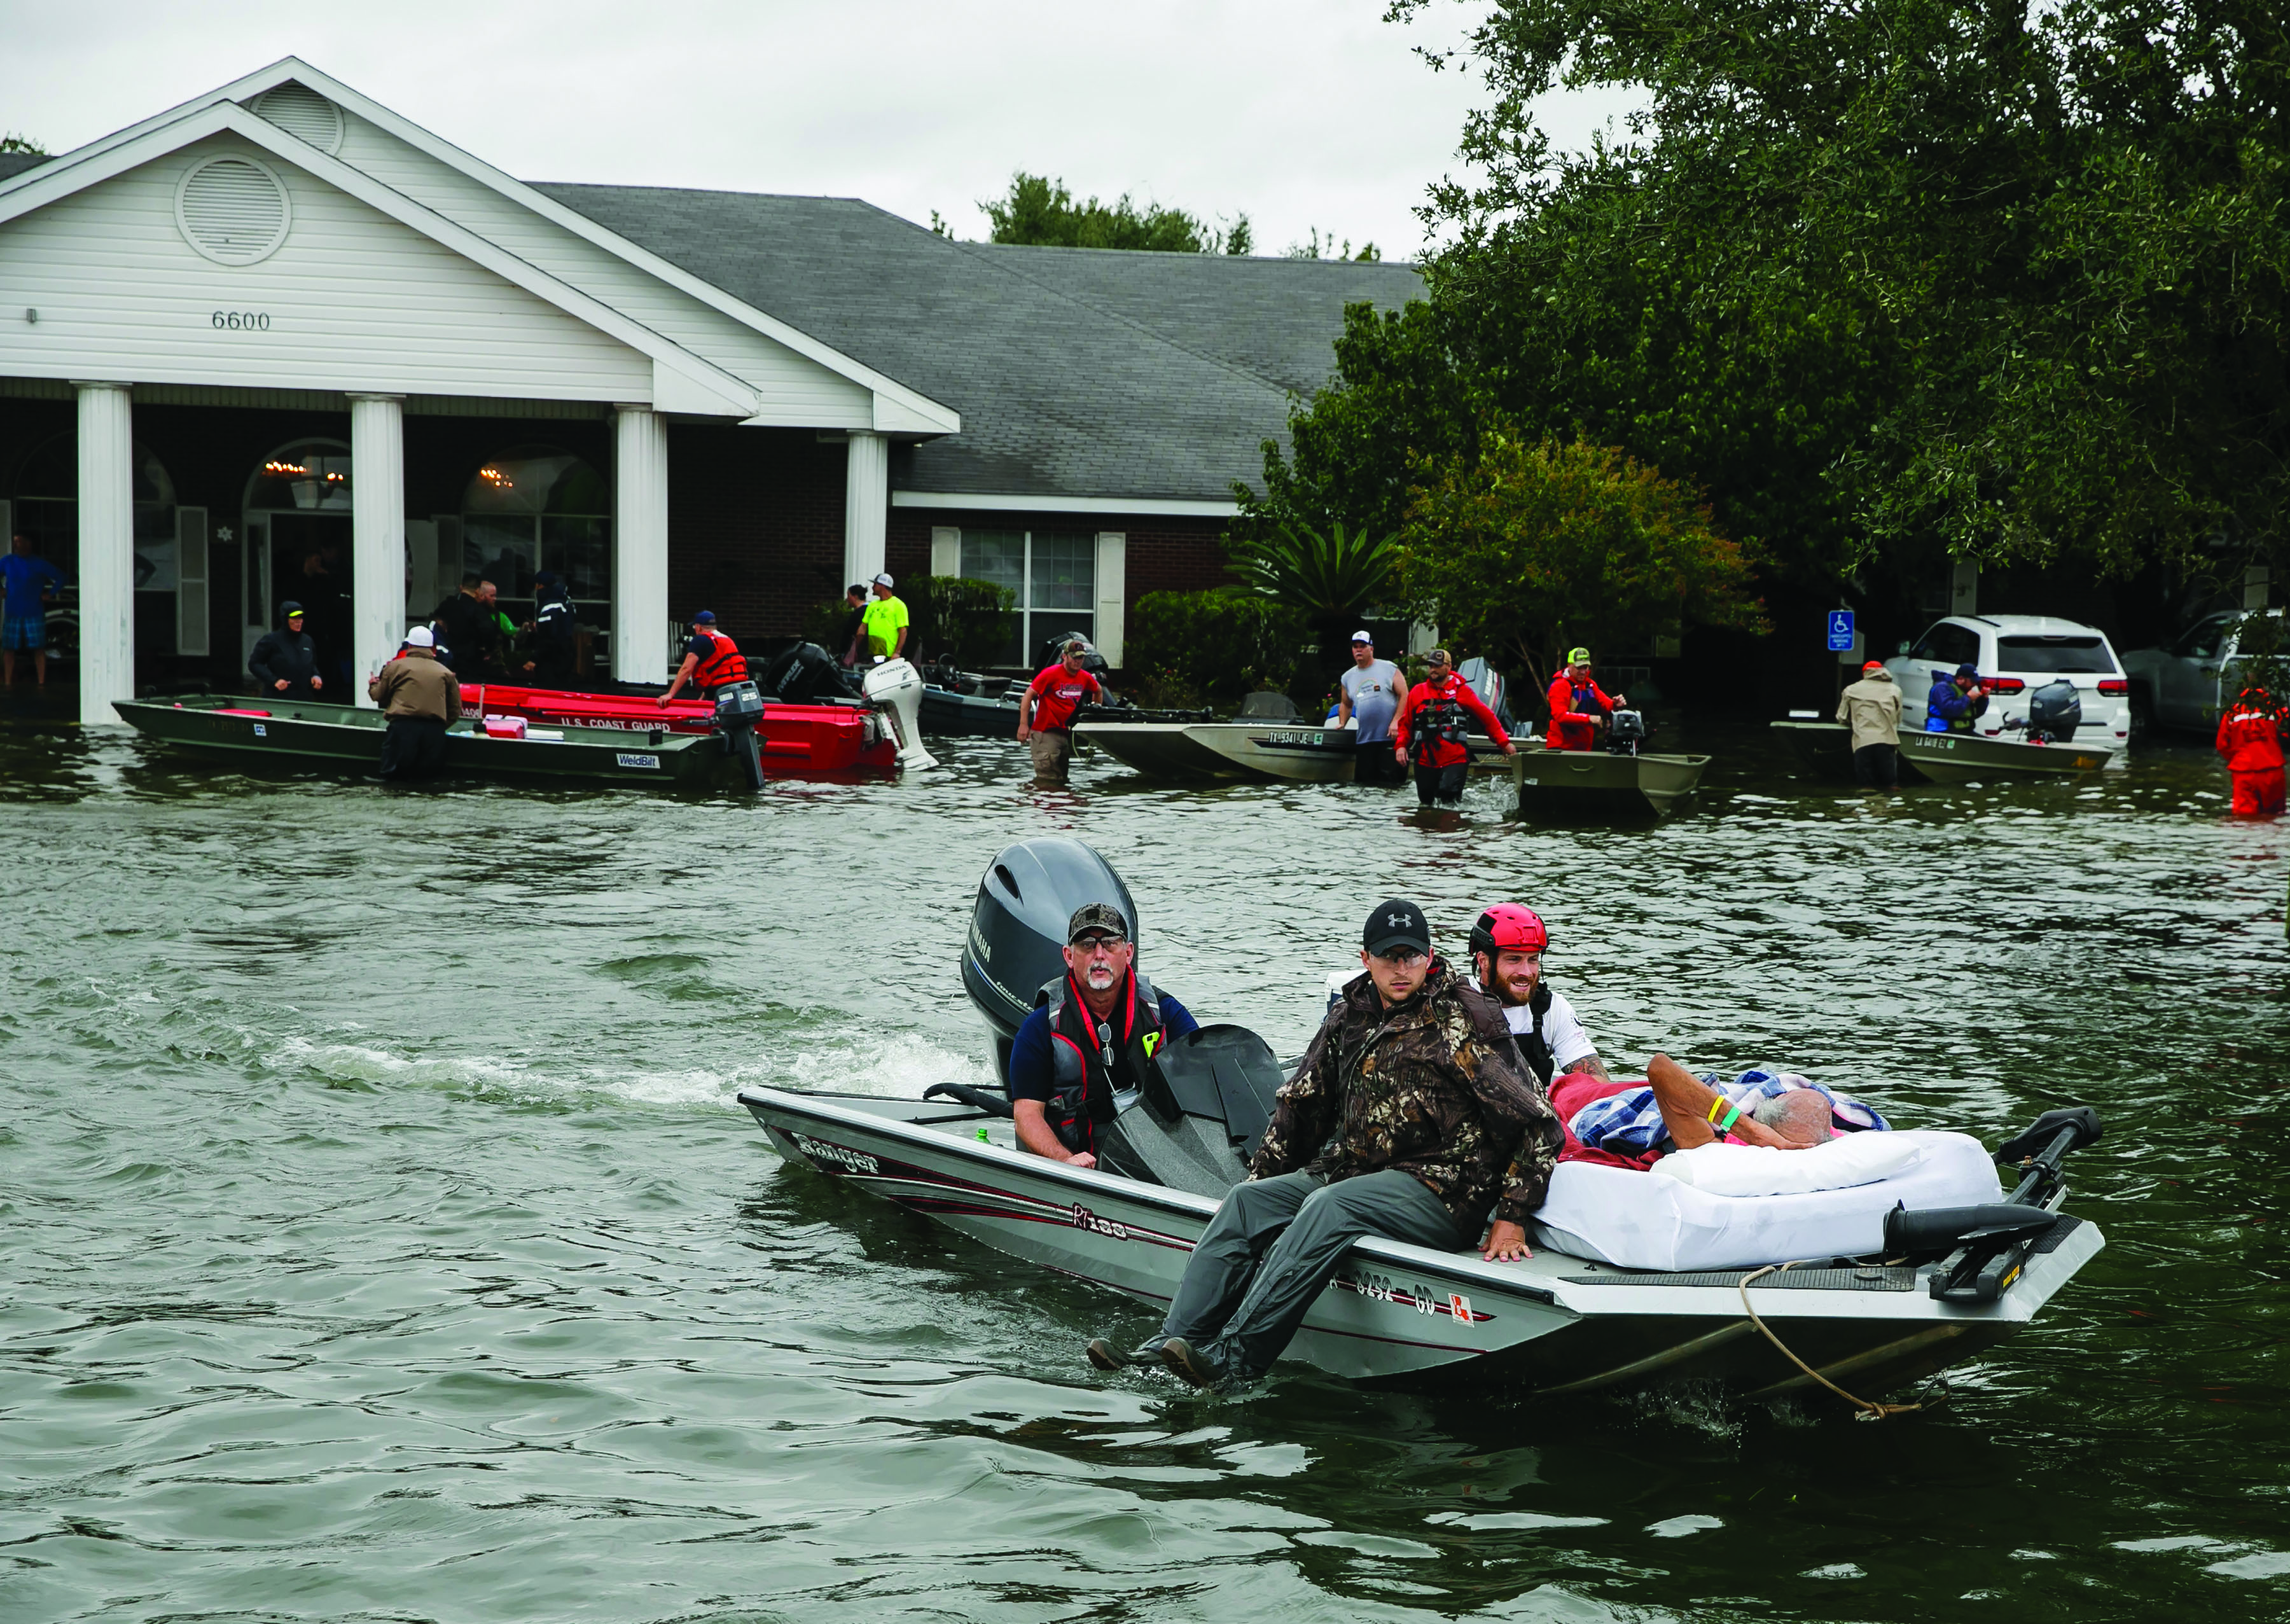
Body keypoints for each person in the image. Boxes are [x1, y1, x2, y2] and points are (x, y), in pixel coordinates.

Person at [1088, 899, 1562, 1389]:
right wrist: (1264, 1191)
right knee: (1247, 1201)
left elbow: (1540, 1123)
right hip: (1356, 1170)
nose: (1401, 968)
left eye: (1411, 956)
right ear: (1365, 958)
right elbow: (1302, 1109)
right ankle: (1171, 1344)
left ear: (1430, 955)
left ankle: (1236, 1359)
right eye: (1389, 956)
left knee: (1328, 1206)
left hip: (1444, 1190)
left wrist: (1512, 1216)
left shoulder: (1464, 1018)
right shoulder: (1349, 1015)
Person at [1006, 902, 1201, 1168]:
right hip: (1075, 1165)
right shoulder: (1039, 1027)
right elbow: (1026, 1115)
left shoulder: (1165, 1013)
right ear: (1069, 956)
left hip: (1154, 1162)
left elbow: (1204, 1076)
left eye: (1110, 943)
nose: (1099, 955)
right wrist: (1065, 1160)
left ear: (1128, 952)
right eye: (1087, 945)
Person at [1560, 1055, 1891, 1171]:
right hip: (1618, 1101)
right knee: (1567, 1088)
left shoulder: (1830, 1141)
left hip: (1638, 1100)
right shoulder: (1724, 1140)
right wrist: (1750, 1129)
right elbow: (1659, 1068)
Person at [1391, 648, 1515, 807]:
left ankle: (1455, 829)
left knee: (1449, 800)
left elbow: (1488, 719)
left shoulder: (1463, 692)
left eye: (1437, 665)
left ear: (1449, 667)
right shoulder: (1418, 692)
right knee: (1426, 803)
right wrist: (1401, 747)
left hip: (1455, 758)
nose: (1433, 669)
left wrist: (1504, 743)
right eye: (1430, 666)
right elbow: (1406, 724)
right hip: (1425, 760)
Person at [366, 625, 462, 780]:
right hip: (434, 732)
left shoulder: (395, 667)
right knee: (428, 782)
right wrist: (439, 726)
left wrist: (372, 685)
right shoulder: (445, 673)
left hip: (403, 728)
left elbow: (379, 696)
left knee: (392, 779)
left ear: (410, 646)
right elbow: (455, 709)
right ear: (433, 648)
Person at [1016, 637, 1103, 788]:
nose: (1078, 661)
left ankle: (1061, 809)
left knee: (1062, 780)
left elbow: (1098, 690)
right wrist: (1023, 725)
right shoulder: (1050, 674)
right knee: (1048, 780)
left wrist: (1094, 711)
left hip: (1064, 734)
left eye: (1081, 658)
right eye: (1075, 657)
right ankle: (1039, 806)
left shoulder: (1084, 677)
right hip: (1045, 733)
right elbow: (1028, 695)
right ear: (1065, 656)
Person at [1336, 631, 1405, 785]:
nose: (1359, 650)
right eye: (1355, 647)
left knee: (1390, 787)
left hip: (1389, 740)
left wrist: (1396, 721)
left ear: (1371, 649)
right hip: (1364, 742)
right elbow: (1346, 704)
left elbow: (1404, 695)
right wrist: (1342, 723)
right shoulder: (1347, 677)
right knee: (1364, 787)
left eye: (1363, 647)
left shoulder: (1389, 668)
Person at [1, 531, 66, 686]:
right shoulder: (8, 561)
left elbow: (62, 577)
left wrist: (50, 593)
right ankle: (8, 682)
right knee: (9, 648)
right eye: (15, 541)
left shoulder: (39, 563)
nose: (16, 544)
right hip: (12, 611)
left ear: (28, 543)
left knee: (38, 648)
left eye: (20, 541)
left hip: (34, 612)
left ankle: (41, 682)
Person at [2217, 685, 2287, 817]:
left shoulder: (2233, 713)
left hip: (2244, 773)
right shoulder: (2275, 709)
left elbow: (2222, 745)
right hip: (2273, 771)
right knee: (2275, 818)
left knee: (2244, 820)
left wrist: (2238, 759)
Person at [1836, 658, 1903, 788]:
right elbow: (1898, 717)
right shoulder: (1895, 690)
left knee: (1866, 786)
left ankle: (1867, 803)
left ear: (1864, 673)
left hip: (1863, 742)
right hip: (1887, 741)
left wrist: (1853, 721)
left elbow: (1842, 717)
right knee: (1891, 785)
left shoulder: (1851, 690)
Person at [658, 610, 747, 707]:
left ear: (699, 627)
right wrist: (704, 697)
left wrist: (670, 694)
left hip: (719, 690)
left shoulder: (700, 640)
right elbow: (719, 668)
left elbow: (686, 669)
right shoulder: (727, 640)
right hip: (739, 687)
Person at [1544, 648, 1625, 752]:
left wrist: (1616, 704)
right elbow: (1560, 716)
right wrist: (1589, 719)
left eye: (1585, 667)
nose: (1583, 672)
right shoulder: (1560, 685)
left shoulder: (1590, 684)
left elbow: (1605, 704)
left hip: (1584, 747)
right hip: (1561, 748)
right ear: (1569, 665)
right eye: (1579, 668)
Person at [248, 602, 324, 697]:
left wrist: (316, 675)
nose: (298, 622)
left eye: (300, 618)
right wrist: (274, 680)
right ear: (285, 619)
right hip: (279, 697)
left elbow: (311, 664)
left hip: (304, 697)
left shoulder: (307, 641)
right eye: (294, 618)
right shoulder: (271, 640)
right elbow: (255, 664)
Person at [431, 576, 499, 677]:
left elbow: (435, 624)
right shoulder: (478, 610)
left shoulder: (446, 605)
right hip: (471, 660)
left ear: (461, 587)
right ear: (477, 591)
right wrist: (489, 650)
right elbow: (489, 630)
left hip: (447, 657)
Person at [522, 571, 578, 688]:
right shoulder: (565, 601)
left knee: (548, 689)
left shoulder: (549, 606)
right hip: (566, 652)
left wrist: (534, 659)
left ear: (540, 586)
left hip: (552, 658)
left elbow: (549, 637)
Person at [1926, 662, 1990, 733]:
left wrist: (1984, 699)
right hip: (1943, 731)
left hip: (1963, 731)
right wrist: (1967, 698)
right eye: (1972, 681)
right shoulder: (1942, 687)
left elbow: (1975, 714)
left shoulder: (1964, 690)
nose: (1974, 684)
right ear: (1961, 679)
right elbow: (1948, 710)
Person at [861, 572, 910, 661]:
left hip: (889, 655)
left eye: (875, 584)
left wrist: (897, 653)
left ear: (882, 586)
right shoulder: (872, 605)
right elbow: (863, 627)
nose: (872, 587)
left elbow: (903, 631)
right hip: (872, 653)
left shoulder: (898, 605)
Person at [838, 583, 870, 668]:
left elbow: (857, 633)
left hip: (857, 654)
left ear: (855, 597)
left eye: (849, 596)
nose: (847, 599)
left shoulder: (859, 613)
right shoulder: (870, 611)